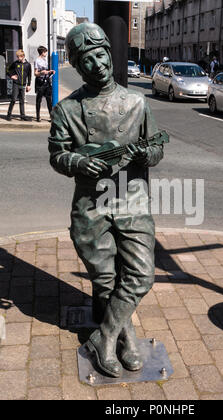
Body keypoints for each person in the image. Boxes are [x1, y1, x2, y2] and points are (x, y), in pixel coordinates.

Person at [48, 23, 165, 378]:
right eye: (86, 60)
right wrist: (80, 161)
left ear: (110, 56)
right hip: (90, 206)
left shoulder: (137, 102)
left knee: (141, 275)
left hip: (132, 202)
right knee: (105, 280)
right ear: (78, 66)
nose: (96, 64)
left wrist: (146, 156)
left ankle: (106, 335)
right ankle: (124, 339)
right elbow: (57, 154)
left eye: (100, 56)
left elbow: (157, 147)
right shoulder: (67, 110)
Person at [7, 50, 32, 121]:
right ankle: (9, 114)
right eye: (17, 57)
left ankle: (22, 115)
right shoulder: (15, 63)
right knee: (13, 99)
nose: (18, 58)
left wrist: (29, 85)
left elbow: (29, 75)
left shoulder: (28, 65)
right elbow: (8, 70)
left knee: (22, 100)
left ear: (23, 56)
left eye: (19, 57)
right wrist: (11, 76)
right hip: (16, 84)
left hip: (23, 85)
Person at [34, 46, 55, 122]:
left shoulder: (45, 60)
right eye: (46, 52)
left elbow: (46, 71)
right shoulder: (37, 61)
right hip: (40, 82)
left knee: (49, 100)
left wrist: (50, 71)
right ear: (42, 52)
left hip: (47, 82)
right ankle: (38, 117)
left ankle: (51, 117)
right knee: (39, 100)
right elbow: (35, 73)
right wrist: (41, 73)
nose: (46, 53)